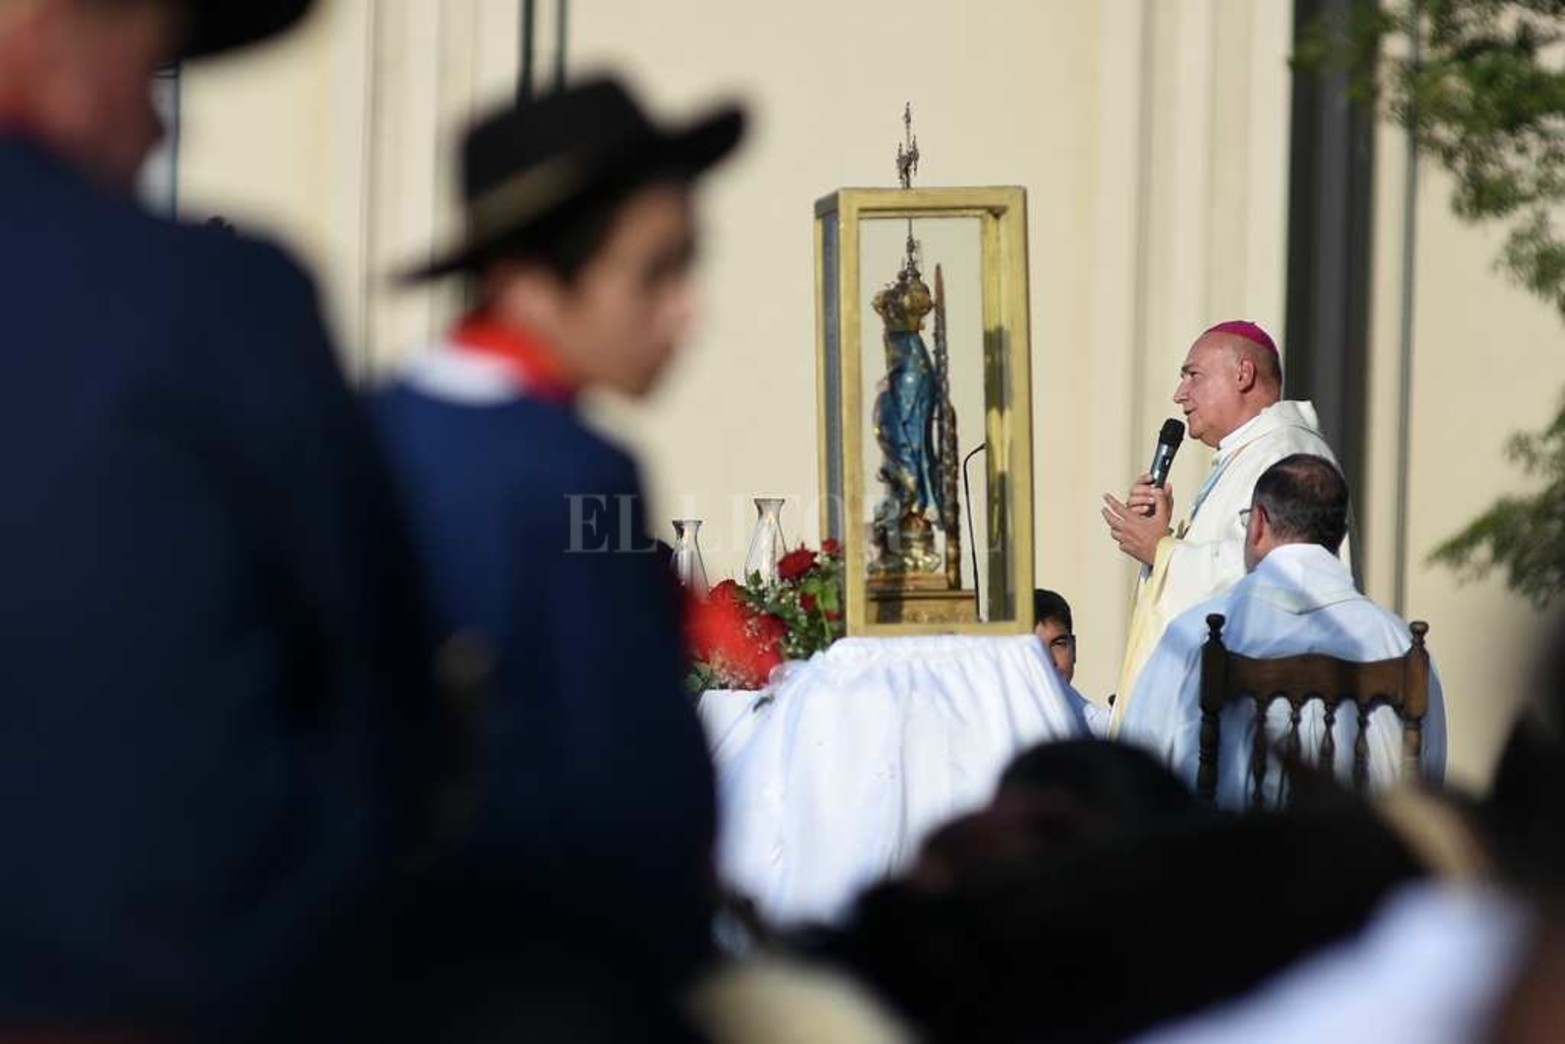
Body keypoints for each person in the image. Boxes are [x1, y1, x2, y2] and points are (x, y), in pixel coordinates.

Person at [0, 0, 438, 1033]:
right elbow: (378, 699)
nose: (159, 130)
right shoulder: (213, 305)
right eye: (147, 72)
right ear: (49, 32)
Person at [373, 78, 745, 992]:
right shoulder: (575, 470)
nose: (685, 310)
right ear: (527, 284)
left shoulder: (368, 426)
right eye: (654, 272)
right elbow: (628, 771)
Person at [1118, 454, 1446, 806]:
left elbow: (1136, 774)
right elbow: (1429, 782)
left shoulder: (1195, 634)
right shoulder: (1399, 643)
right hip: (1363, 855)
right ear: (1339, 536)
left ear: (1258, 524)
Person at [1103, 320, 1347, 730]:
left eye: (1192, 375)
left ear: (1243, 374)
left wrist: (1161, 551)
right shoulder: (1249, 453)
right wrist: (1163, 541)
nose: (1179, 394)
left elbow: (1273, 576)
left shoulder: (1288, 452)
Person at [1033, 588, 1107, 736]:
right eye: (1035, 648)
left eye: (1058, 644)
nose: (1049, 661)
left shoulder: (1106, 731)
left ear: (1074, 648)